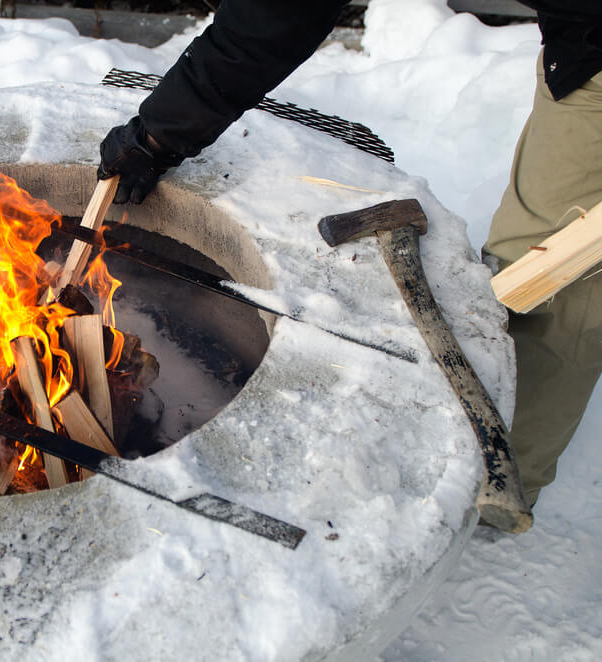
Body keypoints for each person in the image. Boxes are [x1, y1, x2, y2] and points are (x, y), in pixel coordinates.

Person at [98, 0, 602, 511]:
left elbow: (273, 19)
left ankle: (502, 477)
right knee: (531, 266)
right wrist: (160, 135)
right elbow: (269, 20)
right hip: (584, 37)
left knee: (557, 280)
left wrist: (158, 134)